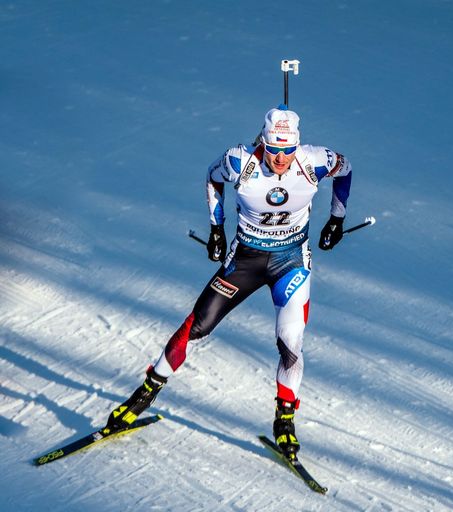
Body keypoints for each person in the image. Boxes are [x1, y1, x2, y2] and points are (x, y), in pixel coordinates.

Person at [103, 106, 352, 459]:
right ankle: (141, 397)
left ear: (297, 145)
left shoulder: (315, 160)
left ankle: (284, 421)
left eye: (288, 150)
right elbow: (212, 177)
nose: (281, 158)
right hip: (245, 262)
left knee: (290, 342)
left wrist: (336, 220)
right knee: (196, 326)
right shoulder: (240, 161)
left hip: (291, 263)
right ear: (262, 141)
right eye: (274, 149)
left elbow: (347, 169)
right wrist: (216, 228)